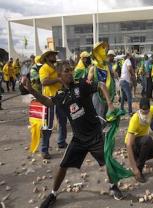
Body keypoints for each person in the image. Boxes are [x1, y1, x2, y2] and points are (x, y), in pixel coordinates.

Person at [21, 65, 126, 208]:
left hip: (95, 135)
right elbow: (47, 102)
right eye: (66, 71)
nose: (70, 73)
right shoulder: (60, 95)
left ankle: (114, 186)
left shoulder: (81, 85)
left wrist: (110, 104)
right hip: (78, 139)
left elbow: (101, 84)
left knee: (107, 161)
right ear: (59, 76)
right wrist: (32, 90)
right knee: (63, 166)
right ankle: (53, 194)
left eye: (71, 70)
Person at [39, 50, 68, 159]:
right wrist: (57, 79)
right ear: (47, 57)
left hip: (59, 97)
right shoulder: (44, 68)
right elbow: (44, 82)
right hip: (49, 99)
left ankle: (61, 141)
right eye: (52, 55)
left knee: (63, 120)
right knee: (48, 125)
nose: (55, 56)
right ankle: (44, 150)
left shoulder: (54, 68)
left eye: (55, 54)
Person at [88, 42, 116, 126]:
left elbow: (111, 78)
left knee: (107, 118)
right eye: (101, 50)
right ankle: (99, 137)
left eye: (104, 50)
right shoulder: (93, 68)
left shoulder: (107, 66)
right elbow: (88, 82)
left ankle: (104, 137)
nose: (104, 52)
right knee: (99, 119)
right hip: (98, 95)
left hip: (108, 96)